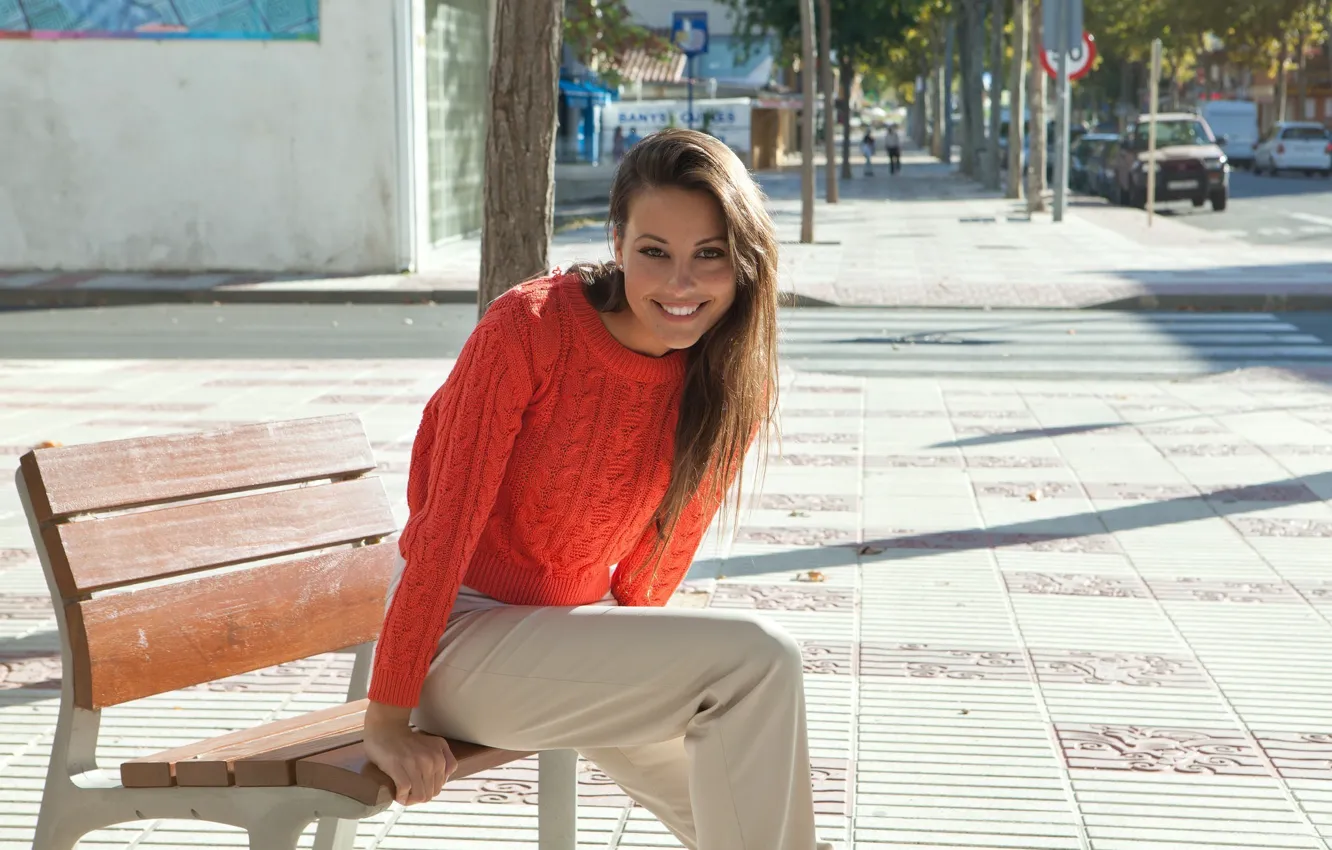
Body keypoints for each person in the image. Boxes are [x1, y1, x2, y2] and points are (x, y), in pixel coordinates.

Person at [363, 129, 834, 850]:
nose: (682, 285)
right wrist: (388, 721)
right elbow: (443, 531)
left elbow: (654, 568)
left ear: (741, 262)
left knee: (746, 817)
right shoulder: (530, 330)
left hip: (568, 637)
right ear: (617, 242)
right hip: (452, 640)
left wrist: (647, 656)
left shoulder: (732, 375)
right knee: (758, 662)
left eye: (709, 255)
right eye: (655, 253)